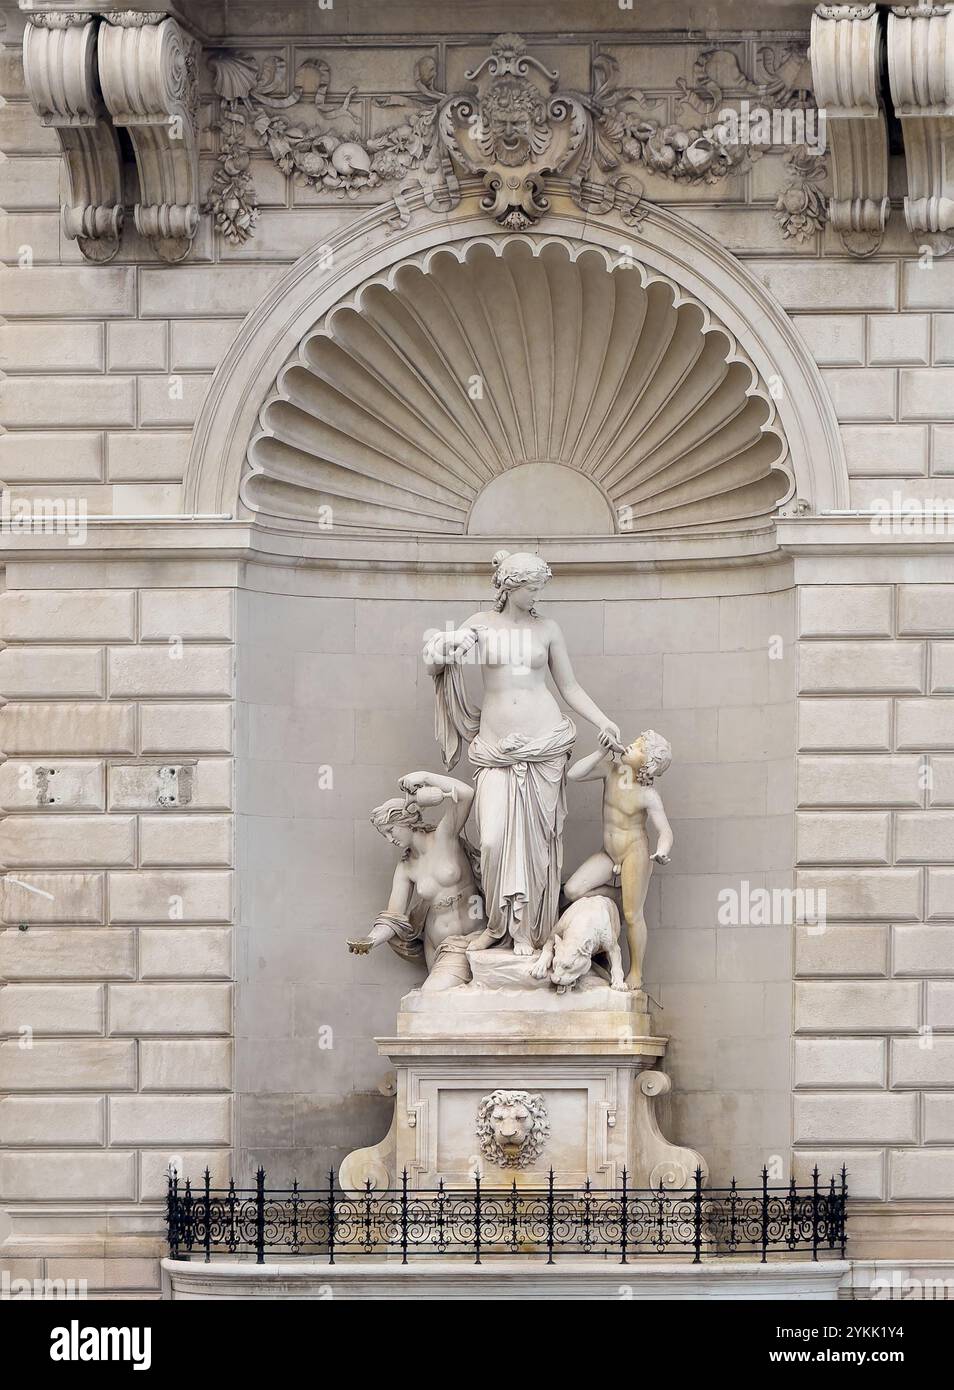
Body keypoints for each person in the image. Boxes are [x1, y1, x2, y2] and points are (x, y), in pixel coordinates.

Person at [423, 549, 621, 955]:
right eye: (532, 588)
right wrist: (447, 647)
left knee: (537, 847)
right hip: (495, 749)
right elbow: (433, 663)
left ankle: (529, 933)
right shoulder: (480, 625)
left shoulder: (547, 629)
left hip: (544, 745)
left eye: (539, 588)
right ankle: (497, 927)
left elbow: (569, 687)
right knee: (493, 840)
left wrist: (602, 721)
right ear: (511, 587)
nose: (537, 596)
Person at [347, 770, 485, 991]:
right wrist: (370, 940)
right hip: (439, 946)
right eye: (384, 835)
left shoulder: (445, 836)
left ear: (406, 821)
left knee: (436, 998)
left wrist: (424, 776)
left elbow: (466, 793)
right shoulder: (405, 867)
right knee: (433, 1000)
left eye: (390, 830)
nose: (389, 839)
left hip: (475, 935)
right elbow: (393, 917)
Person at [564, 730, 673, 988]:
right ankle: (618, 893)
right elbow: (573, 774)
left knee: (633, 914)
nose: (630, 746)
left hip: (634, 852)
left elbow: (665, 830)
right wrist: (601, 751)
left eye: (637, 747)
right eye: (634, 742)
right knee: (572, 890)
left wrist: (663, 850)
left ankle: (636, 972)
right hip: (608, 852)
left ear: (648, 764)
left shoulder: (648, 795)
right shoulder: (611, 770)